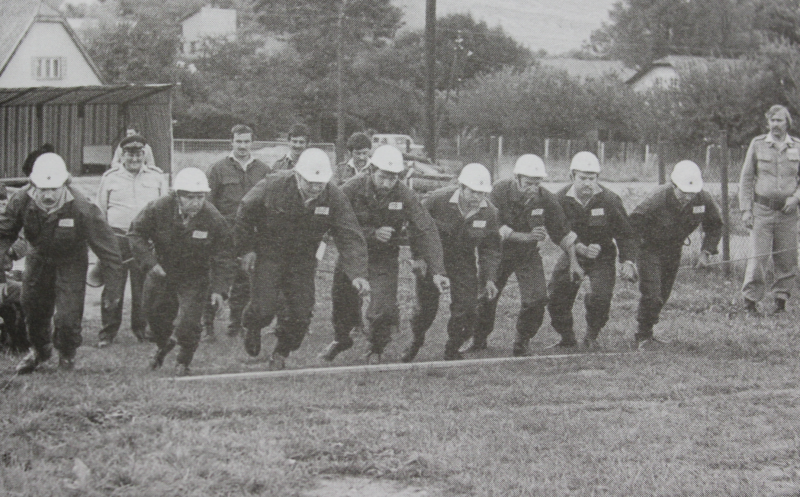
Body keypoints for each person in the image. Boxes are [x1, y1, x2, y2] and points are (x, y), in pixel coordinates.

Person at [236, 148, 369, 370]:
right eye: (311, 183)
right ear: (297, 175)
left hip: (303, 259)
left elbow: (350, 235)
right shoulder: (273, 185)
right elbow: (244, 211)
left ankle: (281, 352)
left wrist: (357, 273)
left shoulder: (334, 197)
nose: (316, 188)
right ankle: (252, 326)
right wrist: (247, 248)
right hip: (271, 253)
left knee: (301, 314)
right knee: (264, 308)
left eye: (321, 183)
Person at [320, 145, 448, 364]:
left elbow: (426, 228)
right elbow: (334, 223)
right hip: (352, 255)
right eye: (383, 177)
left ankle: (377, 347)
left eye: (393, 178)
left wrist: (437, 270)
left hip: (384, 258)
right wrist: (371, 233)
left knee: (383, 309)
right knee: (342, 304)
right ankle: (341, 340)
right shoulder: (351, 188)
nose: (388, 184)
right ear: (371, 170)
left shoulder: (403, 193)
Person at [0, 153, 123, 373]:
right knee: (32, 309)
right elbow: (4, 234)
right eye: (43, 189)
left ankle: (67, 355)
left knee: (67, 315)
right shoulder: (21, 200)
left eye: (53, 189)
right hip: (37, 259)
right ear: (33, 184)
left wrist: (113, 291)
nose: (47, 195)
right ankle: (40, 351)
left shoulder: (82, 207)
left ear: (64, 184)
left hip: (71, 261)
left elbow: (109, 251)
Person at [128, 168, 234, 376]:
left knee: (189, 322)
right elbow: (136, 233)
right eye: (189, 197)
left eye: (200, 197)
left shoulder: (213, 218)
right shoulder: (158, 208)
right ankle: (162, 346)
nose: (195, 202)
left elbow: (225, 255)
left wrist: (219, 290)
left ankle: (184, 360)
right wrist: (150, 263)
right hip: (162, 271)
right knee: (155, 316)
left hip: (195, 276)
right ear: (177, 195)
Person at [472, 154, 580, 356]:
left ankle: (522, 340)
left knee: (537, 299)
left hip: (527, 256)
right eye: (528, 183)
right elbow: (494, 227)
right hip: (498, 254)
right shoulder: (499, 190)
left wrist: (574, 261)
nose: (533, 188)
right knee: (486, 297)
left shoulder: (545, 197)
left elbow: (562, 231)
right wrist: (526, 236)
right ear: (517, 178)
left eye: (537, 183)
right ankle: (478, 339)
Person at [402, 163, 501, 362]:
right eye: (473, 192)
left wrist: (489, 278)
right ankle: (416, 340)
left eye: (482, 193)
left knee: (469, 310)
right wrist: (418, 257)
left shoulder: (490, 213)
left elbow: (490, 248)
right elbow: (416, 227)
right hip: (433, 258)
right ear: (461, 186)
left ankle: (453, 347)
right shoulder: (437, 200)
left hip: (463, 262)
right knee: (426, 311)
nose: (477, 197)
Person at [547, 152, 638, 350]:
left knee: (600, 297)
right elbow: (555, 230)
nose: (588, 183)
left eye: (592, 178)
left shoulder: (610, 200)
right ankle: (567, 338)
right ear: (572, 176)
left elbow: (626, 234)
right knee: (556, 297)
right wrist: (577, 246)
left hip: (602, 256)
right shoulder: (559, 199)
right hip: (573, 254)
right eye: (583, 178)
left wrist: (628, 261)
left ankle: (591, 336)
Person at [630, 160, 723, 350]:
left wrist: (706, 252)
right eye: (683, 192)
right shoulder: (657, 198)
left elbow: (715, 225)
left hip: (673, 250)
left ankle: (648, 331)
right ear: (673, 186)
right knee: (652, 293)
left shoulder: (703, 199)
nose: (687, 197)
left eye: (691, 193)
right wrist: (628, 260)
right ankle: (642, 335)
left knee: (663, 294)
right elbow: (633, 225)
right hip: (649, 248)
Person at [95, 134, 167, 347]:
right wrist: (102, 244)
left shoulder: (157, 177)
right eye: (130, 154)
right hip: (116, 240)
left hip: (145, 241)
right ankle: (107, 333)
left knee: (143, 288)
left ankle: (141, 330)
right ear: (122, 155)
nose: (134, 159)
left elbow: (163, 212)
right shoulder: (109, 178)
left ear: (144, 154)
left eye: (138, 154)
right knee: (113, 288)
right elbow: (99, 212)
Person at [203, 124, 271, 340]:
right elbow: (207, 204)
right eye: (238, 141)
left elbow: (269, 204)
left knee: (244, 282)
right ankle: (208, 328)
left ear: (253, 143)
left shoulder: (264, 170)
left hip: (249, 236)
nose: (243, 146)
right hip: (223, 234)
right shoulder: (217, 169)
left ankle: (236, 325)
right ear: (230, 142)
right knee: (216, 279)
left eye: (247, 141)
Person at [738, 105, 800, 315]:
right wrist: (746, 210)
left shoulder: (797, 146)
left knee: (787, 258)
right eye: (772, 120)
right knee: (758, 258)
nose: (775, 124)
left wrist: (796, 198)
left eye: (779, 120)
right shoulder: (758, 145)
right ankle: (750, 303)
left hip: (788, 214)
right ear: (768, 123)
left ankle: (780, 303)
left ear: (787, 123)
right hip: (762, 211)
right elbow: (746, 179)